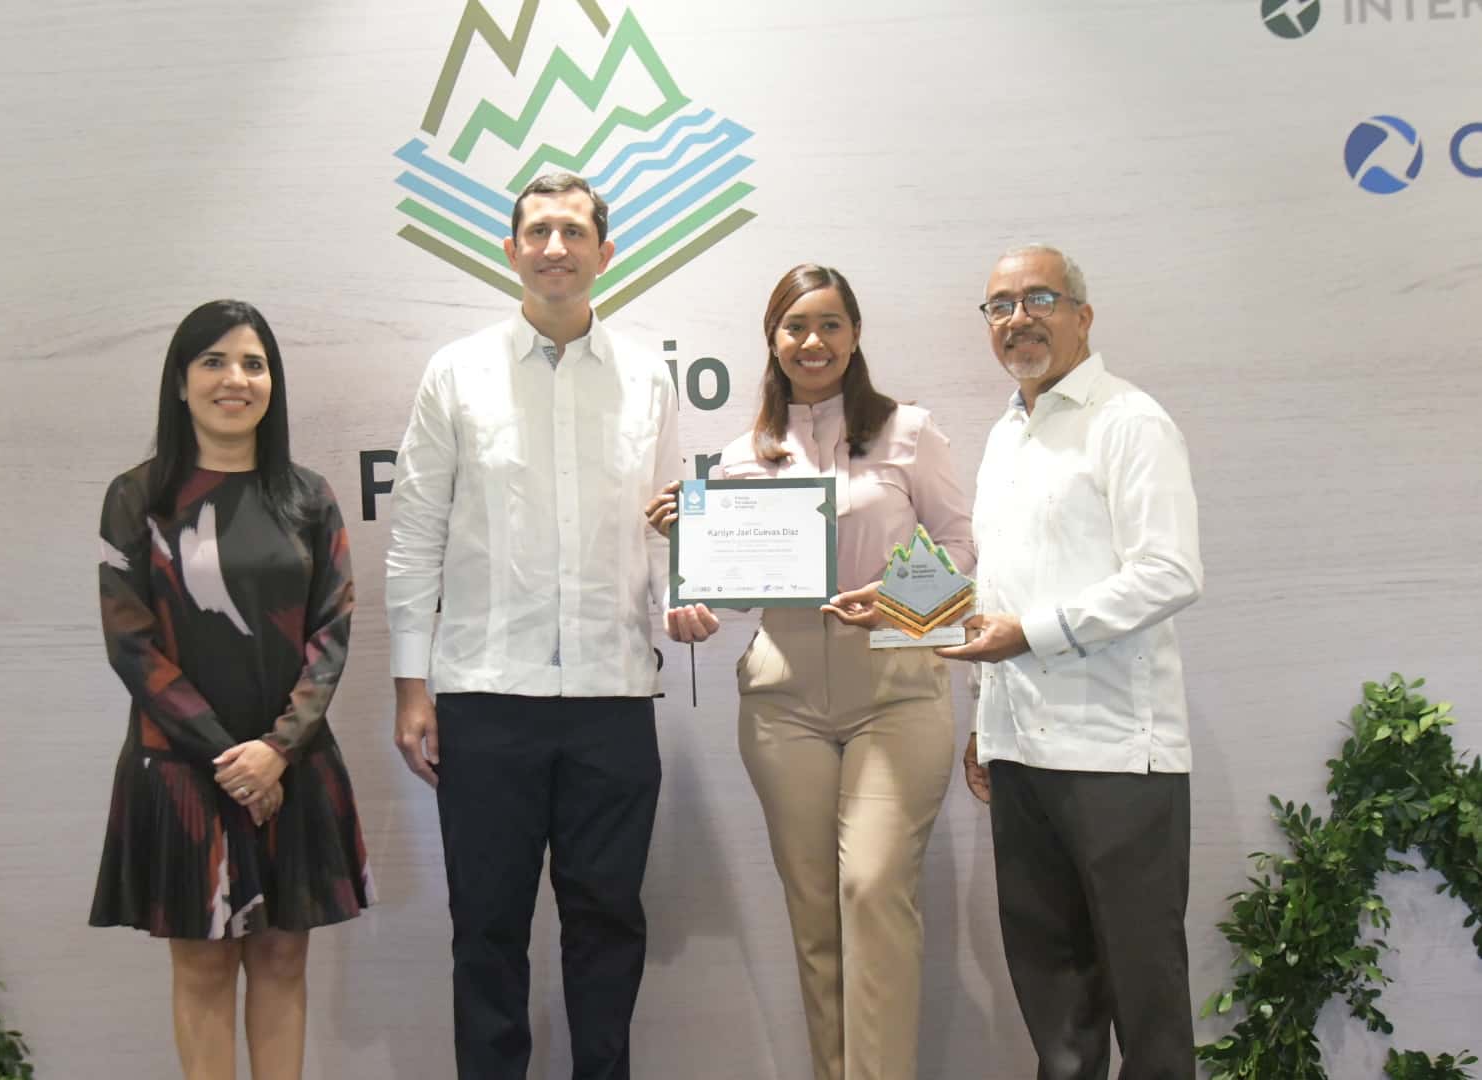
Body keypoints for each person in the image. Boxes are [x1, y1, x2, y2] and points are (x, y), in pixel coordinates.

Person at [648, 263, 974, 1080]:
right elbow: (717, 590)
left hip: (896, 694)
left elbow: (966, 552)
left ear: (855, 334)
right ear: (773, 341)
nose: (812, 341)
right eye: (795, 326)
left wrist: (899, 603)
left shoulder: (910, 432)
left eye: (829, 324)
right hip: (782, 702)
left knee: (871, 890)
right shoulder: (741, 456)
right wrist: (689, 593)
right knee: (816, 916)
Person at [385, 172, 678, 1079]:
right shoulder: (456, 373)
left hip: (612, 697)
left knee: (609, 929)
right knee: (486, 930)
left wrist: (682, 603)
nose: (557, 246)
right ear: (509, 250)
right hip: (484, 696)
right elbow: (416, 534)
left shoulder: (649, 378)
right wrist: (411, 686)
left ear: (606, 252)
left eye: (574, 231)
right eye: (539, 231)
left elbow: (668, 525)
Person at [90, 300, 374, 1080]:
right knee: (204, 969)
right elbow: (131, 643)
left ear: (272, 384)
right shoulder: (138, 497)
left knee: (283, 964)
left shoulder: (308, 498)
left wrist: (277, 752)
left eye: (253, 363)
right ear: (180, 383)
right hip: (184, 772)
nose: (234, 380)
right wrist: (230, 759)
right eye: (213, 362)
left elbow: (331, 634)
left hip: (293, 766)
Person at [940, 244, 1203, 1078]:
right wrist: (984, 713)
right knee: (1055, 1002)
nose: (1019, 319)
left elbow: (1170, 573)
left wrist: (1033, 633)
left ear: (1083, 316)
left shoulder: (1130, 421)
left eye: (1039, 298)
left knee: (1145, 1000)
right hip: (1020, 752)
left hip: (1118, 752)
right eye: (1000, 306)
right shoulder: (1003, 435)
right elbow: (999, 587)